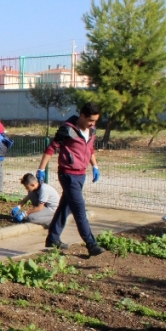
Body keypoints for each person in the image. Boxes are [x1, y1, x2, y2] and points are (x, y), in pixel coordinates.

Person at [36, 102, 105, 256]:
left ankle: (53, 238)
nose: (93, 124)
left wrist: (95, 166)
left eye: (95, 121)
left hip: (81, 174)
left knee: (65, 207)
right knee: (79, 210)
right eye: (91, 120)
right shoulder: (67, 129)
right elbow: (51, 148)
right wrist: (41, 168)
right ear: (82, 116)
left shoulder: (91, 131)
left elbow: (91, 149)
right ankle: (91, 244)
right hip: (68, 174)